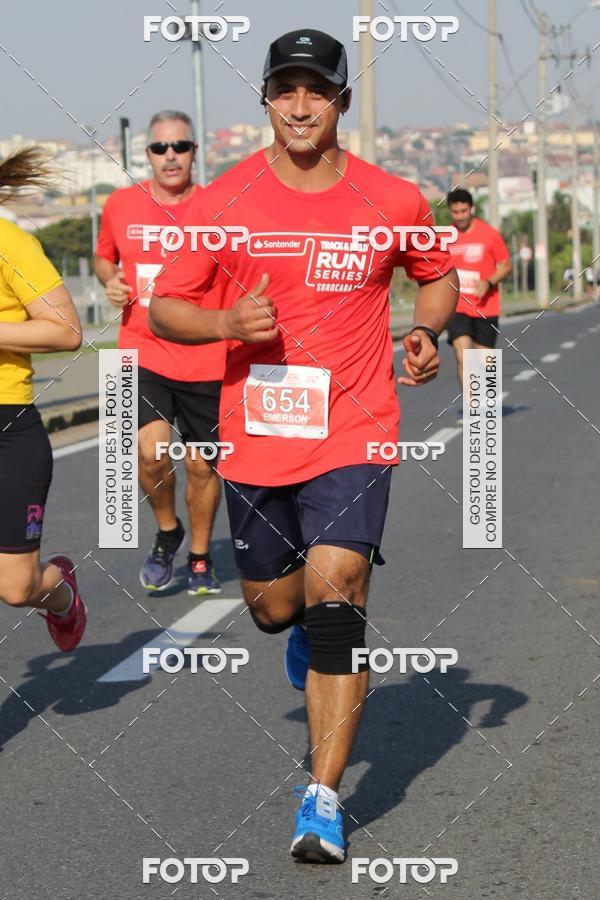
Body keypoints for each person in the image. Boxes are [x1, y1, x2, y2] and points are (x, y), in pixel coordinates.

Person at [149, 30, 458, 862]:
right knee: (273, 605)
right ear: (265, 101)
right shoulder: (226, 200)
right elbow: (164, 309)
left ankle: (321, 799)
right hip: (256, 434)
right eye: (284, 89)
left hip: (355, 429)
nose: (298, 104)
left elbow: (435, 272)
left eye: (314, 90)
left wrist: (429, 331)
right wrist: (222, 323)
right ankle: (295, 628)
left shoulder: (392, 198)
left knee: (340, 587)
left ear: (340, 103)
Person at [95, 111, 225, 595]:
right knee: (150, 455)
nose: (170, 156)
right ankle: (169, 531)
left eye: (181, 146)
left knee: (200, 465)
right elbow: (103, 255)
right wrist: (110, 280)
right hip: (142, 349)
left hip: (208, 357)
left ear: (195, 151)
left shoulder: (219, 206)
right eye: (159, 148)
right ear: (146, 155)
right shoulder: (121, 204)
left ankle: (199, 556)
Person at [0, 147, 87, 649]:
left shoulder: (11, 242)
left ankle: (62, 595)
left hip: (9, 428)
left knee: (15, 589)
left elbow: (66, 331)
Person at [445, 188, 512, 394]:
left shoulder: (489, 234)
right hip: (457, 306)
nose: (460, 217)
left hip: (486, 307)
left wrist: (489, 282)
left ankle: (488, 402)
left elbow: (507, 265)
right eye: (455, 212)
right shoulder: (445, 237)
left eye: (464, 211)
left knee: (485, 361)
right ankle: (473, 405)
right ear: (450, 211)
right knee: (462, 354)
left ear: (471, 209)